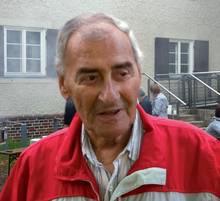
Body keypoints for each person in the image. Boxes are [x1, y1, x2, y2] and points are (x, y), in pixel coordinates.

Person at [1, 13, 220, 201]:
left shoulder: (205, 155)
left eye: (122, 73)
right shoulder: (32, 168)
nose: (109, 95)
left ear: (138, 75)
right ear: (64, 85)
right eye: (90, 77)